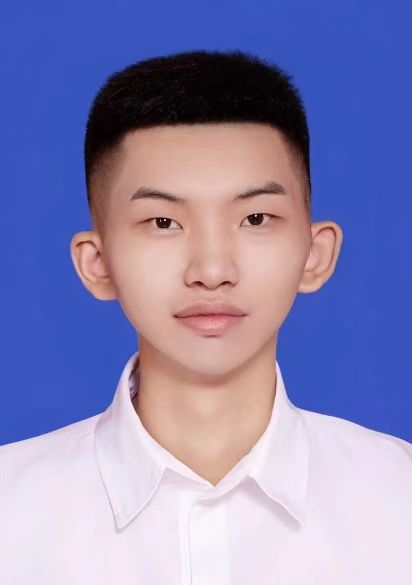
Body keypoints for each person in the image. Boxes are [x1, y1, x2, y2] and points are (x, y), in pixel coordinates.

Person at [1, 49, 411, 584]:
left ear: (315, 254)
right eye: (163, 222)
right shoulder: (12, 512)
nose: (212, 270)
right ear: (97, 264)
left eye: (255, 218)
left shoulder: (398, 500)